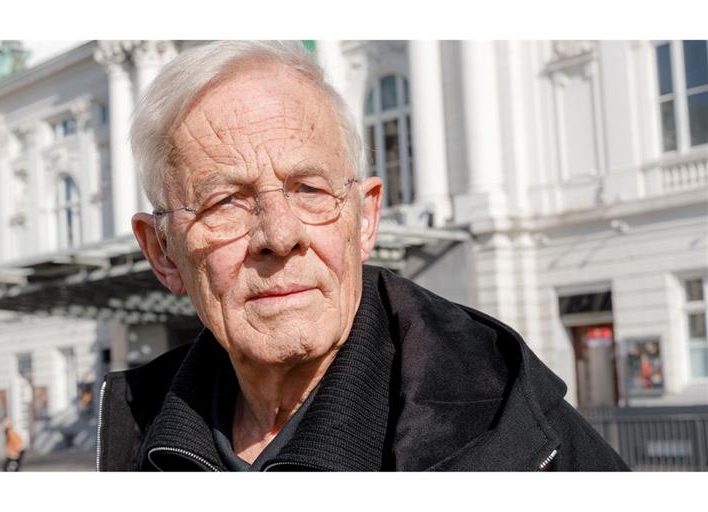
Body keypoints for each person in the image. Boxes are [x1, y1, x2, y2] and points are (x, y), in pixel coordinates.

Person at [97, 40, 629, 471]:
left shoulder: (511, 428)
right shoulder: (134, 428)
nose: (280, 237)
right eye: (226, 201)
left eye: (308, 189)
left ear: (366, 218)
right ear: (162, 251)